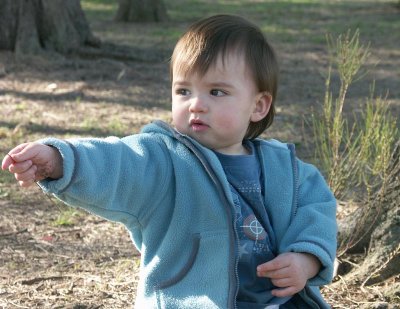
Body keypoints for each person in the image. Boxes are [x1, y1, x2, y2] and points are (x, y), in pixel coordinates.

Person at [2, 14, 337, 309]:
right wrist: (58, 159)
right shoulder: (165, 159)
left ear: (259, 106)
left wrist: (306, 260)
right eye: (183, 91)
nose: (196, 105)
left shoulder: (285, 169)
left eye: (216, 92)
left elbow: (316, 209)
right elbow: (117, 161)